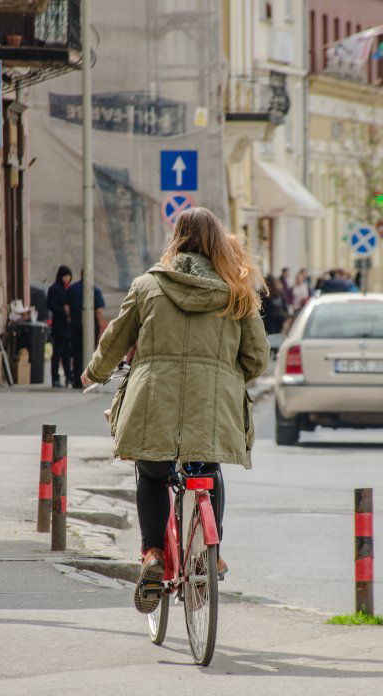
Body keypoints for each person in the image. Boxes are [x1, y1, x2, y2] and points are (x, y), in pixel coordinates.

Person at [80, 207, 269, 614]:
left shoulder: (148, 286)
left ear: (175, 239)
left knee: (151, 472)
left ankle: (152, 554)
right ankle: (211, 553)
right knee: (206, 470)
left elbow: (117, 338)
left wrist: (94, 372)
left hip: (155, 402)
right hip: (211, 406)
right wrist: (228, 376)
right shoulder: (237, 291)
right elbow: (257, 358)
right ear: (217, 242)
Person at [67, 274, 105, 389]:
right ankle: (87, 380)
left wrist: (71, 318)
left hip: (75, 325)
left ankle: (76, 381)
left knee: (77, 353)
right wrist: (100, 323)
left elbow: (66, 307)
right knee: (89, 352)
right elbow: (98, 311)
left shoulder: (72, 289)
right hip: (91, 325)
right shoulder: (94, 290)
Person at [46, 265, 74, 388]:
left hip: (68, 326)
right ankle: (55, 379)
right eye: (65, 276)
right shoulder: (54, 289)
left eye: (68, 276)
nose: (67, 279)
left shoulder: (68, 289)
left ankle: (68, 377)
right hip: (59, 326)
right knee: (57, 353)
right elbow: (50, 305)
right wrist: (64, 312)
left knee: (67, 354)